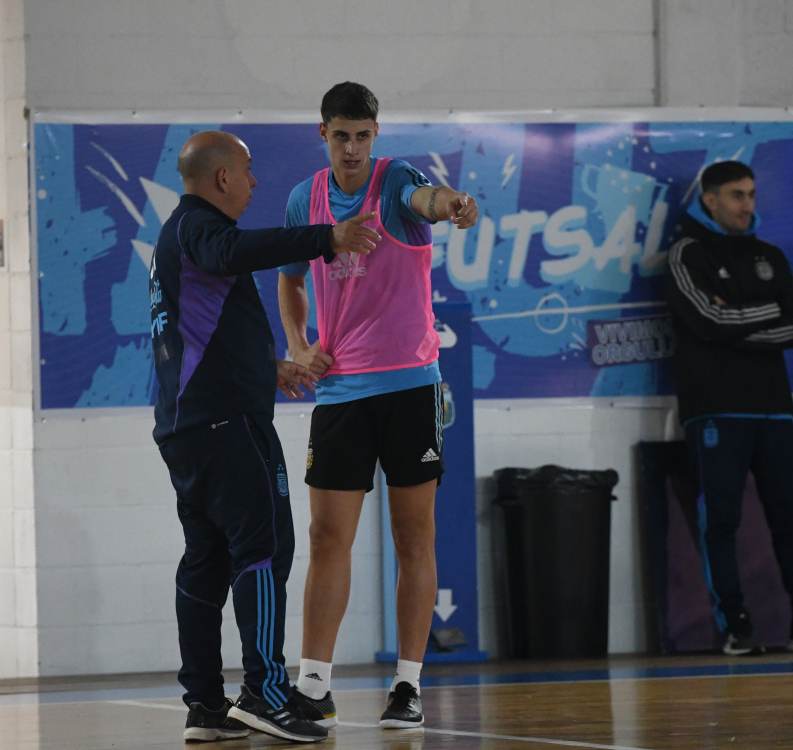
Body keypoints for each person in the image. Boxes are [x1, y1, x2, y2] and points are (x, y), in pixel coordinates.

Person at [149, 129, 379, 743]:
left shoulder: (178, 235)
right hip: (228, 425)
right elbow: (238, 252)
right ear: (222, 177)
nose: (254, 182)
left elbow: (200, 333)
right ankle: (266, 694)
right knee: (264, 549)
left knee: (206, 561)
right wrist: (327, 237)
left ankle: (205, 706)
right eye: (247, 171)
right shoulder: (201, 228)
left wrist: (267, 367)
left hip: (188, 427)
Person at [276, 82, 478, 729]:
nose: (353, 148)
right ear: (323, 134)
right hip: (341, 392)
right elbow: (289, 278)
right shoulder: (303, 199)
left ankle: (408, 685)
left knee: (413, 536)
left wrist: (453, 204)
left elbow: (429, 199)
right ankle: (314, 685)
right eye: (342, 136)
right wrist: (298, 345)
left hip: (411, 387)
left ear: (375, 135)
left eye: (363, 136)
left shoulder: (395, 182)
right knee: (325, 536)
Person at [665, 160, 793, 656]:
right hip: (715, 408)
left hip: (774, 407)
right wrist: (760, 317)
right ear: (710, 200)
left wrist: (734, 324)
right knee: (720, 520)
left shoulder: (770, 255)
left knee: (790, 518)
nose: (748, 205)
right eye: (737, 195)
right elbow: (706, 320)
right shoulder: (687, 253)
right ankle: (736, 626)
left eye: (751, 194)